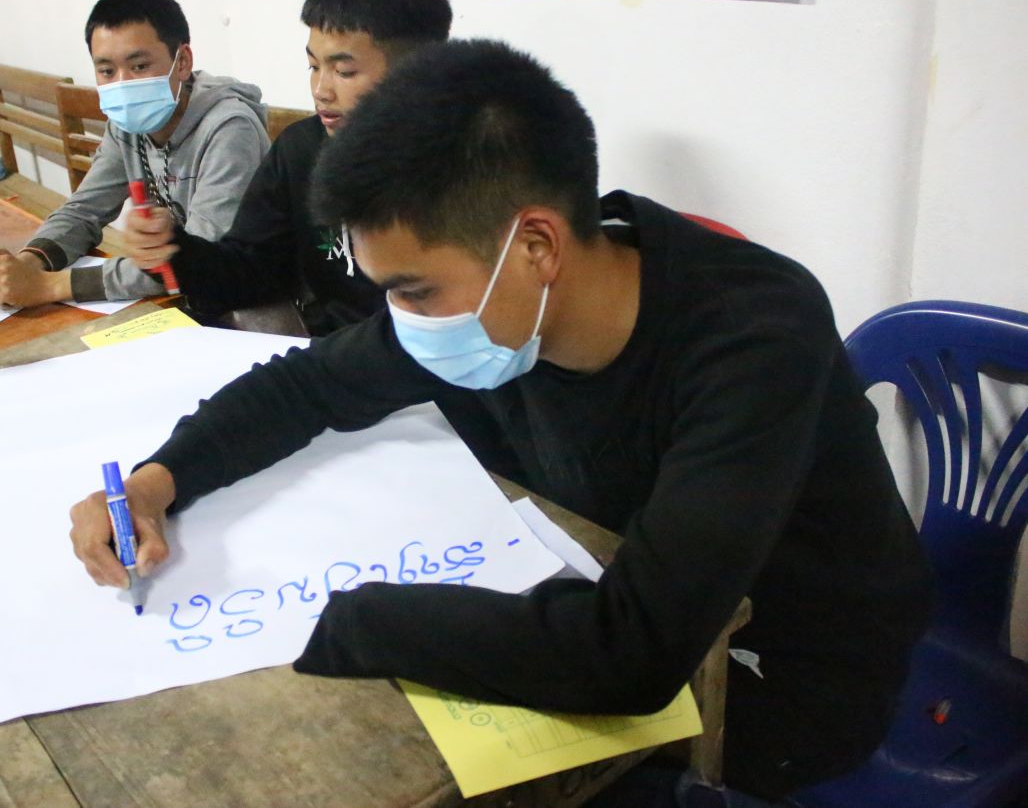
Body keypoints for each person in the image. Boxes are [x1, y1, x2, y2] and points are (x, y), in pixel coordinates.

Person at [67, 40, 932, 804]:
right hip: (613, 585)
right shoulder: (485, 306)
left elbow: (633, 653)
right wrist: (156, 481)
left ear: (538, 245)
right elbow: (304, 388)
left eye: (411, 289)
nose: (400, 319)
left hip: (785, 672)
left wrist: (348, 621)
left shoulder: (752, 334)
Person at [121, 0, 452, 336]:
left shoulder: (468, 165)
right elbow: (251, 272)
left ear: (417, 72)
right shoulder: (301, 151)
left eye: (344, 71)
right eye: (313, 66)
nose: (320, 90)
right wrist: (172, 249)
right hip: (331, 360)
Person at [0, 0, 269, 307]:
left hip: (240, 309)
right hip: (177, 300)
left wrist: (52, 286)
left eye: (139, 66)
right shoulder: (128, 125)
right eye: (107, 71)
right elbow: (84, 210)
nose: (122, 84)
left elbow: (202, 259)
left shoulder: (229, 129)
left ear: (182, 62)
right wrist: (28, 263)